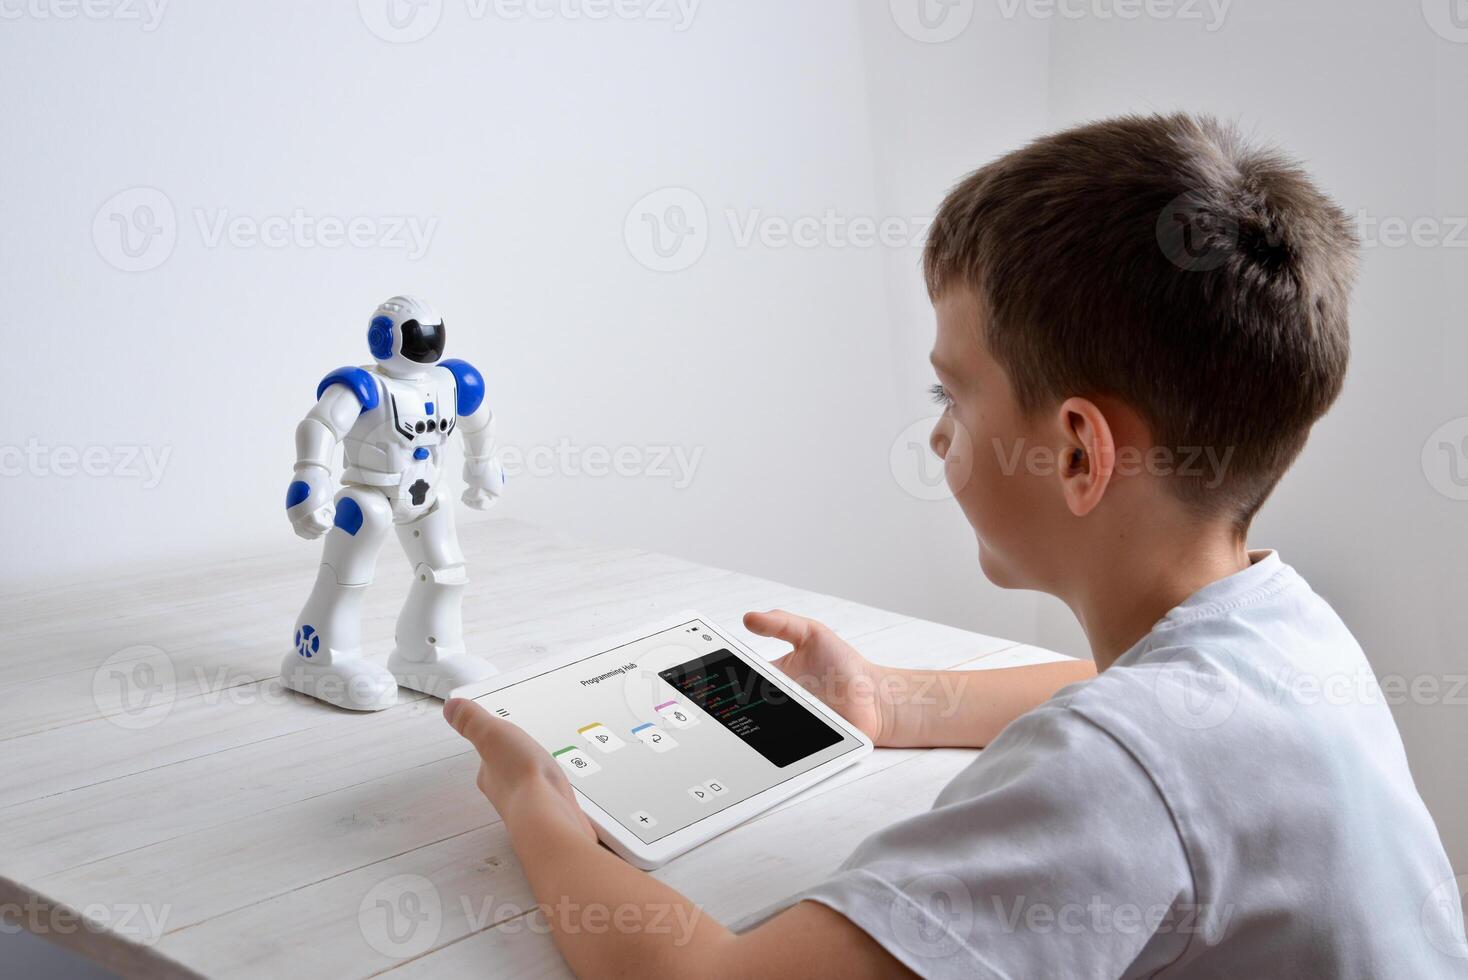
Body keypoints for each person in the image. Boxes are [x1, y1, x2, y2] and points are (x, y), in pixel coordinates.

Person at [443, 114, 1463, 977]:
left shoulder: (1116, 772)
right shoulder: (1284, 631)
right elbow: (1115, 695)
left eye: (952, 392)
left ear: (1076, 454)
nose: (936, 432)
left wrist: (539, 805)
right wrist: (892, 701)